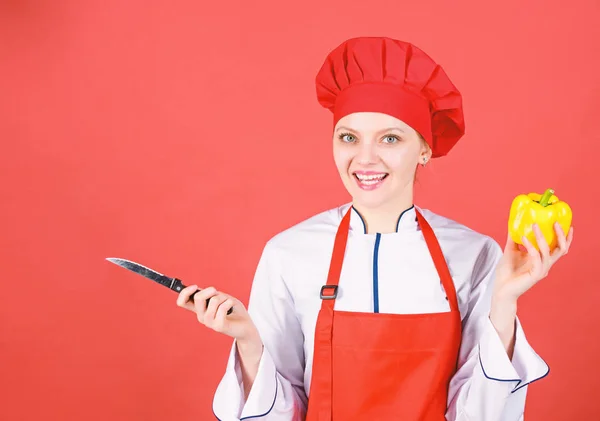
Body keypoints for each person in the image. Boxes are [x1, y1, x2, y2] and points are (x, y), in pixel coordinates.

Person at [176, 36, 574, 421]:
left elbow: (480, 414)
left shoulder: (477, 255)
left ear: (424, 149)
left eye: (389, 138)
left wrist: (503, 304)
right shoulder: (288, 253)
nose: (365, 159)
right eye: (349, 137)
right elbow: (283, 412)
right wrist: (247, 340)